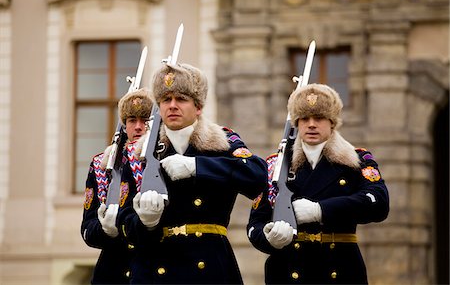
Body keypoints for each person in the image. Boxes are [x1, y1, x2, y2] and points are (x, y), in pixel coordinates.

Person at [118, 63, 268, 284]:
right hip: (156, 269)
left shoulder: (222, 141)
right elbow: (124, 224)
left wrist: (197, 166)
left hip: (208, 266)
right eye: (166, 100)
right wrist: (145, 221)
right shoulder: (139, 152)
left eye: (181, 99)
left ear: (198, 107)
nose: (173, 106)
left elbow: (257, 177)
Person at [247, 83, 389, 284]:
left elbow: (379, 203)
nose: (311, 124)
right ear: (296, 123)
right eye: (304, 118)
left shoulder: (357, 160)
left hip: (338, 270)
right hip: (288, 271)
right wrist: (269, 238)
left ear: (332, 122)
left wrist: (320, 210)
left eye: (319, 118)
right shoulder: (275, 165)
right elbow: (255, 225)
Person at [81, 88, 152, 284]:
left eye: (145, 120)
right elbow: (87, 229)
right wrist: (106, 230)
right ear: (124, 125)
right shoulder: (102, 164)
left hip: (152, 267)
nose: (138, 127)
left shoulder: (162, 159)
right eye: (131, 120)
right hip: (113, 271)